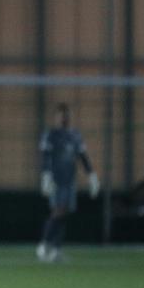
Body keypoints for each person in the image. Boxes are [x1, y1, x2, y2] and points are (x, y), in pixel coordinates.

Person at [37, 103, 100, 263]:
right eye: (61, 115)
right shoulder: (51, 135)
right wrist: (46, 176)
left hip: (69, 180)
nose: (64, 118)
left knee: (64, 214)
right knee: (58, 211)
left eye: (66, 115)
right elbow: (45, 156)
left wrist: (91, 175)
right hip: (56, 180)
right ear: (56, 117)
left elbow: (83, 156)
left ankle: (56, 250)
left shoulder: (75, 135)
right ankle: (44, 244)